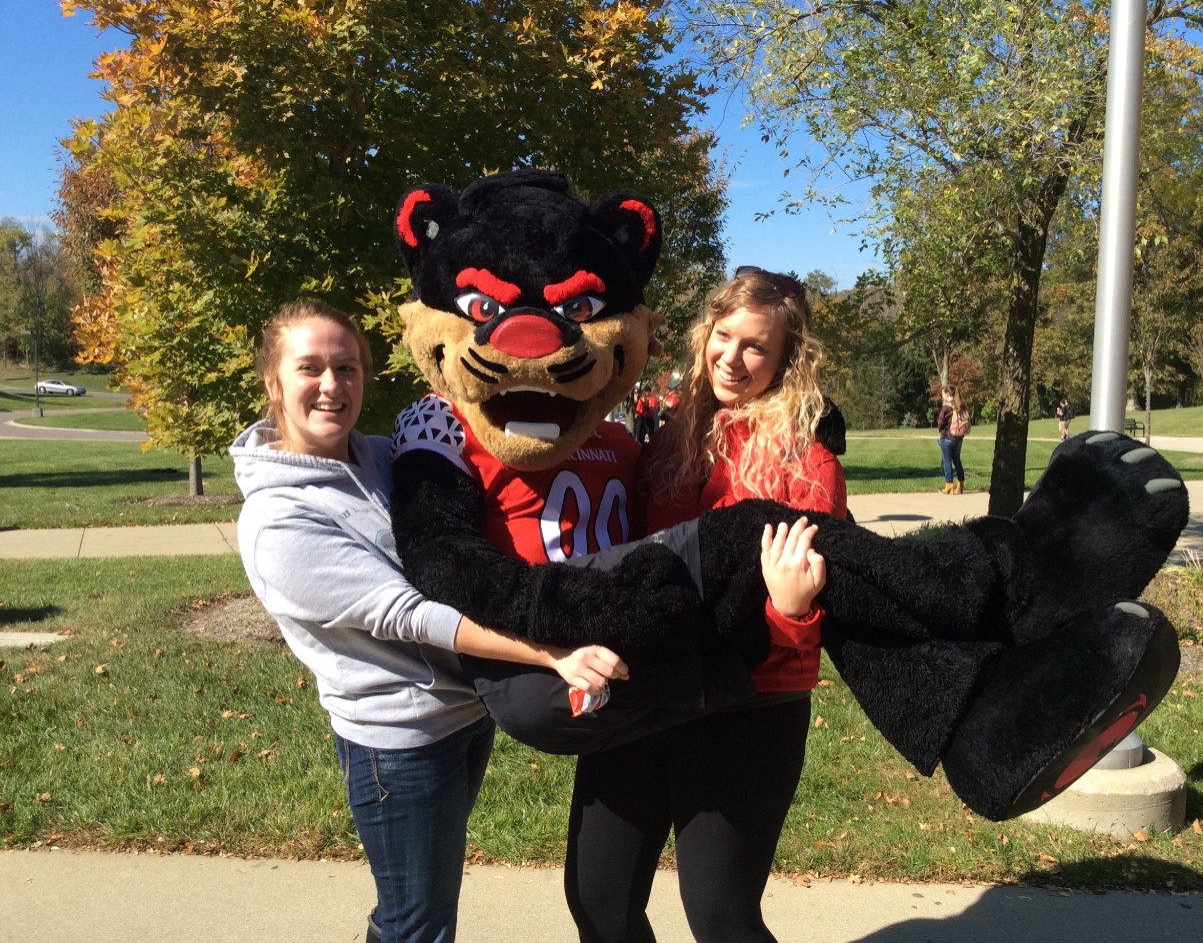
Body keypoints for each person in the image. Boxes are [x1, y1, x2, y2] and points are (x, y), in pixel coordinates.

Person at [230, 299, 628, 943]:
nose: (332, 386)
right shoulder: (277, 522)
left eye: (347, 367)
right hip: (399, 741)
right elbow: (413, 615)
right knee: (417, 923)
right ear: (274, 383)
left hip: (462, 715)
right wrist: (550, 652)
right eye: (310, 369)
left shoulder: (387, 456)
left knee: (415, 913)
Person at [564, 266, 848, 943]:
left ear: (785, 361)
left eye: (757, 346)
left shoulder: (807, 462)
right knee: (597, 900)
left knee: (720, 916)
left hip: (747, 703)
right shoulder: (663, 443)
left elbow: (816, 607)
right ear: (704, 336)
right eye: (724, 336)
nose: (733, 356)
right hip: (645, 694)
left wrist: (793, 610)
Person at [937, 385, 968, 494]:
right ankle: (961, 484)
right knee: (957, 460)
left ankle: (949, 484)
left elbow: (940, 422)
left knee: (947, 460)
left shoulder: (946, 407)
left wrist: (940, 431)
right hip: (959, 437)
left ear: (947, 395)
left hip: (947, 437)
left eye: (943, 393)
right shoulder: (960, 405)